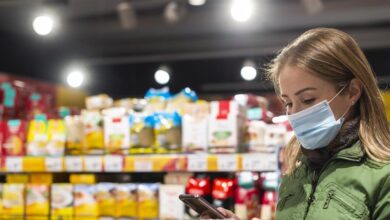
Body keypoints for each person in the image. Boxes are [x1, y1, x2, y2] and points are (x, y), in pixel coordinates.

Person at [210, 28, 390, 219]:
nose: (295, 114)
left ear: (352, 92)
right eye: (288, 103)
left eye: (308, 99)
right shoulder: (297, 170)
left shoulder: (383, 175)